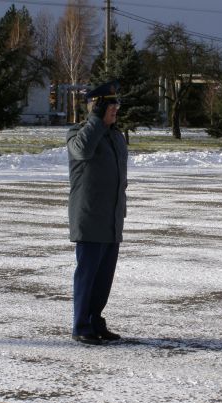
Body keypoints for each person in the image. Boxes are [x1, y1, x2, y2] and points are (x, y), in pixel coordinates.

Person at [67, 80, 128, 345]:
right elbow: (82, 151)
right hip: (90, 217)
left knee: (103, 279)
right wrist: (95, 120)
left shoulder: (116, 136)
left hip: (112, 217)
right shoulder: (77, 134)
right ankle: (81, 325)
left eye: (116, 104)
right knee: (88, 275)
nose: (115, 109)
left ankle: (95, 321)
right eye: (109, 105)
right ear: (95, 107)